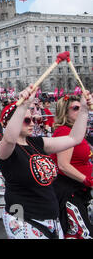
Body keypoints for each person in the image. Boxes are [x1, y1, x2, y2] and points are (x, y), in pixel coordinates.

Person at [0, 85, 92, 239]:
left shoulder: (37, 142)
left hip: (50, 218)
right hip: (23, 217)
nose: (33, 123)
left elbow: (74, 138)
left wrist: (84, 110)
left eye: (34, 119)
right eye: (27, 120)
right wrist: (23, 106)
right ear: (10, 122)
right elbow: (9, 138)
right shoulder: (5, 148)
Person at [49, 95, 93, 238]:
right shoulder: (64, 132)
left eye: (81, 108)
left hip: (79, 189)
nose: (80, 111)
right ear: (64, 111)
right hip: (68, 191)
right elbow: (63, 165)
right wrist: (87, 180)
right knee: (83, 234)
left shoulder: (75, 132)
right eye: (75, 108)